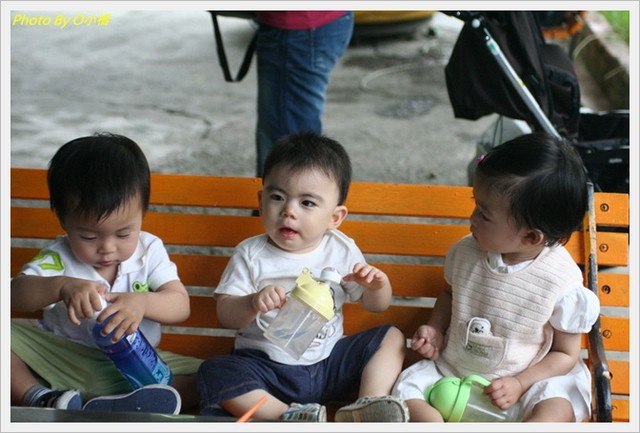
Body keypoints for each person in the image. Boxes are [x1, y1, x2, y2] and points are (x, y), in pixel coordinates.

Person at [197, 132, 408, 422]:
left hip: (329, 363)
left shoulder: (341, 249)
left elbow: (377, 306)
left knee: (392, 336)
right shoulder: (251, 254)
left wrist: (377, 286)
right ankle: (291, 415)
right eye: (277, 197)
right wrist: (251, 302)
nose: (288, 211)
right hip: (266, 369)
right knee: (215, 372)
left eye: (307, 203)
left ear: (335, 217)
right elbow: (226, 313)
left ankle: (366, 405)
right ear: (261, 200)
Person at [392, 132, 600, 422]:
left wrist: (521, 383)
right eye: (475, 203)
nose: (472, 218)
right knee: (408, 392)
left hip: (527, 381)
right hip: (454, 370)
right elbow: (451, 295)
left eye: (484, 214)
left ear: (530, 237)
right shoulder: (466, 252)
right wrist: (436, 328)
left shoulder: (560, 281)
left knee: (556, 407)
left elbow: (565, 355)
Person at [11, 133, 203, 413]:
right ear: (64, 222)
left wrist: (143, 302)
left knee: (217, 374)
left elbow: (180, 304)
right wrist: (61, 286)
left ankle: (114, 405)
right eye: (89, 237)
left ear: (142, 214)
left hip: (140, 362)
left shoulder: (149, 250)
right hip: (63, 359)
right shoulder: (59, 257)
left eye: (124, 233)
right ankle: (39, 397)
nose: (107, 248)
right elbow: (14, 295)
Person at [254, 11, 354, 177]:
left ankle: (304, 201)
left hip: (298, 27)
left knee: (289, 155)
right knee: (292, 147)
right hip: (313, 24)